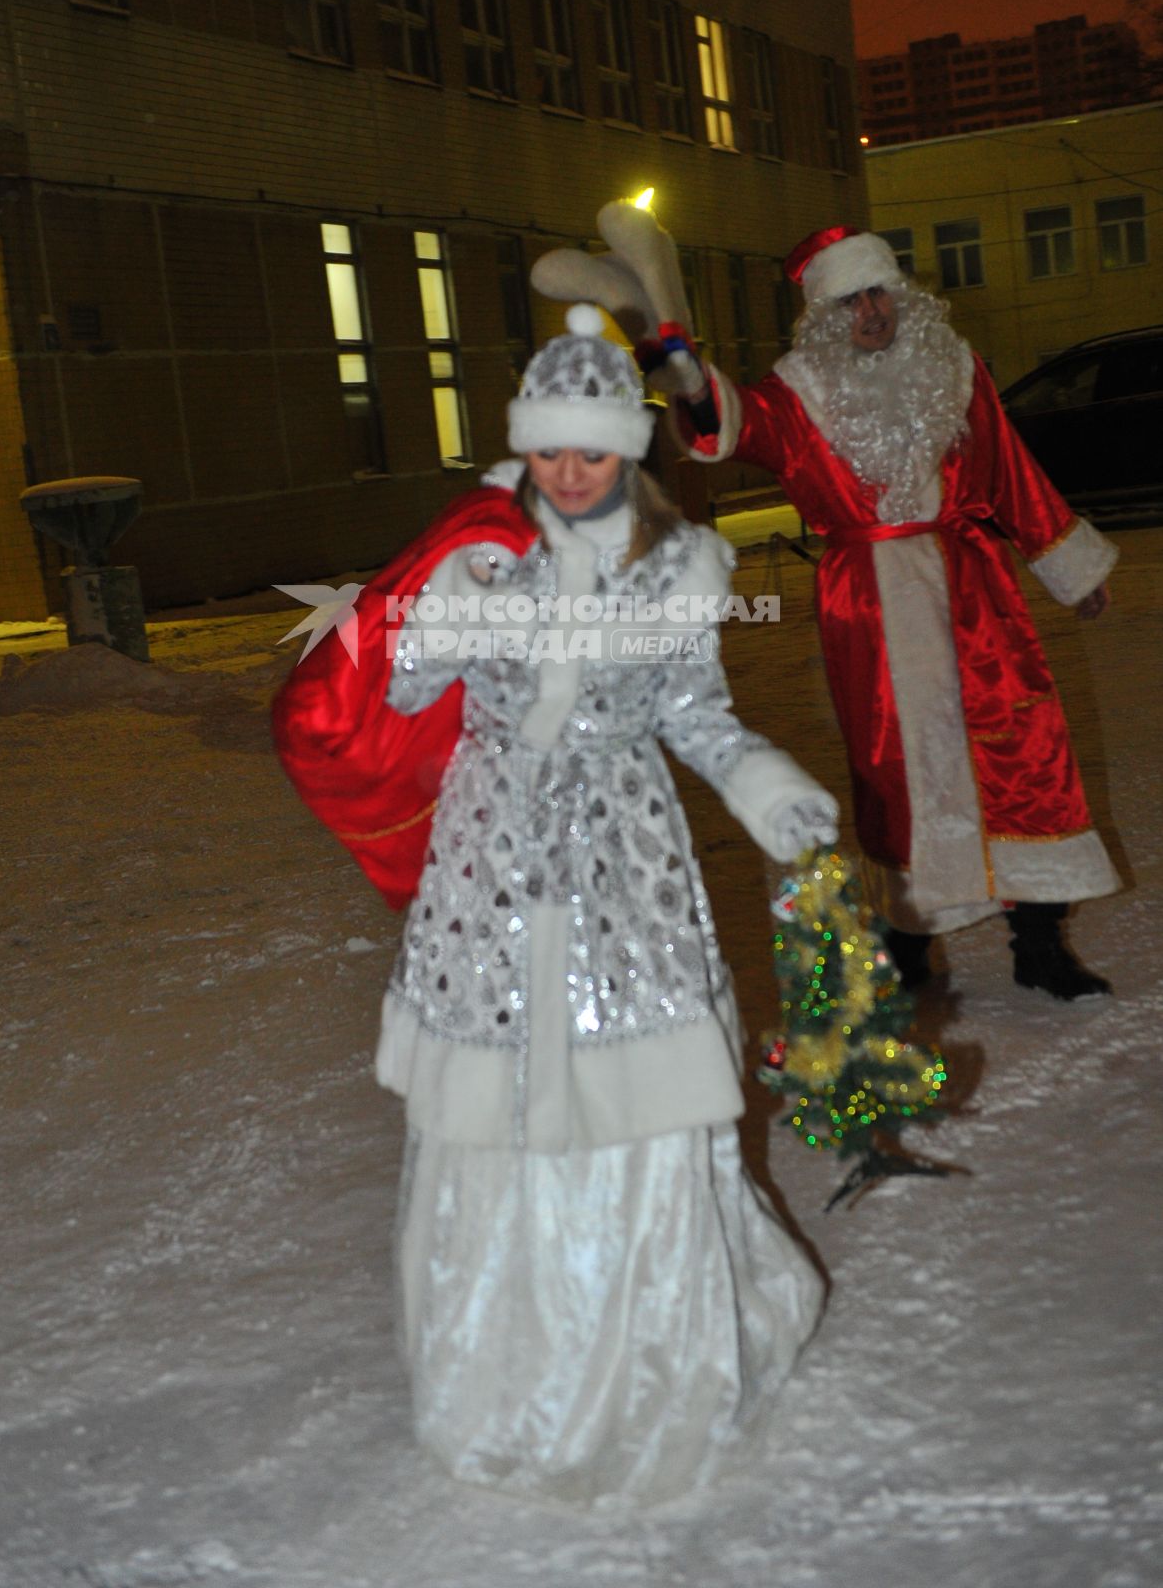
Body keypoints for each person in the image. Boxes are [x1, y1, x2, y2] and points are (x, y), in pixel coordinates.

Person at [352, 306, 836, 1504]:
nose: (570, 477)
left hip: (626, 857)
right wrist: (440, 597)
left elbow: (694, 714)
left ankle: (654, 1347)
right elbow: (401, 681)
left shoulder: (678, 565)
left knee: (640, 1079)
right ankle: (496, 1364)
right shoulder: (481, 549)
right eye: (552, 453)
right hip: (492, 860)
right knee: (495, 1086)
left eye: (595, 453)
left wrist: (760, 782)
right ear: (524, 445)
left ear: (630, 449)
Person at [535, 207, 1118, 1001]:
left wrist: (1072, 567)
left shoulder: (953, 368)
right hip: (871, 604)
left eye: (878, 294)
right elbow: (729, 428)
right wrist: (692, 384)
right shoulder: (799, 395)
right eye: (851, 302)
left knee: (1019, 754)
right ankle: (909, 953)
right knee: (894, 773)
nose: (870, 313)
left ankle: (1039, 941)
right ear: (824, 316)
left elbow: (1011, 471)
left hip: (974, 590)